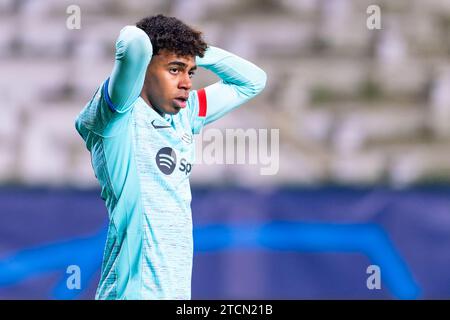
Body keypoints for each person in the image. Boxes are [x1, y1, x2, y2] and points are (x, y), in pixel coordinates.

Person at [75, 14, 266, 300]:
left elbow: (252, 81)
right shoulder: (115, 119)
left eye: (191, 72)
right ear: (143, 69)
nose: (187, 83)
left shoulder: (184, 116)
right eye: (175, 69)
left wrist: (195, 51)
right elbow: (134, 42)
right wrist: (169, 45)